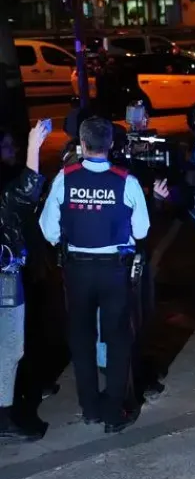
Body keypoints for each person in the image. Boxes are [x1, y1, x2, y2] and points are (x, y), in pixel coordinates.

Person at [39, 117, 150, 433]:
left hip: (78, 269)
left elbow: (48, 229)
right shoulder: (126, 181)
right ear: (111, 144)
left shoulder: (65, 178)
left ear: (82, 145)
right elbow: (142, 230)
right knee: (117, 338)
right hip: (114, 269)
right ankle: (114, 411)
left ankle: (89, 408)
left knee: (81, 337)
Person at [0, 120, 50, 441]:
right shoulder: (5, 190)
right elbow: (27, 189)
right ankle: (4, 417)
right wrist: (34, 148)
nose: (12, 151)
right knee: (9, 345)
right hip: (5, 275)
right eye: (6, 146)